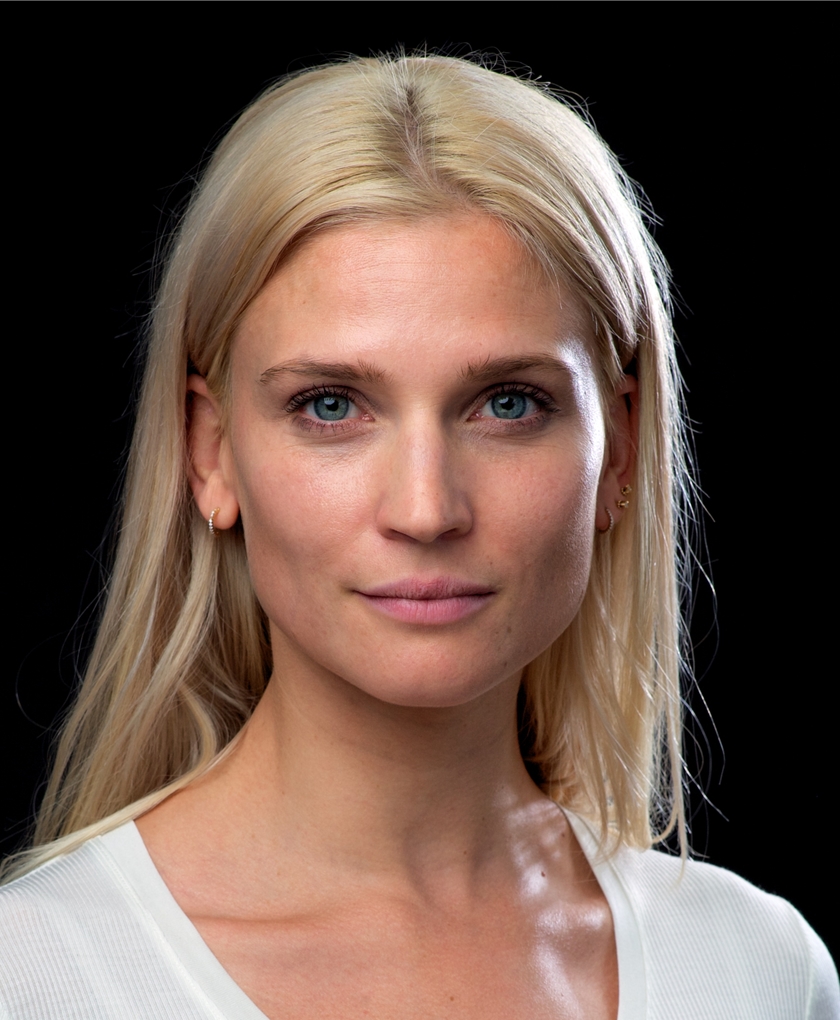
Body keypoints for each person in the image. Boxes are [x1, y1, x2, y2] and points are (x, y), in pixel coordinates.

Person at [1, 54, 836, 1019]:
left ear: (620, 449)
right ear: (210, 451)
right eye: (331, 405)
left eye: (508, 403)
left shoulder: (756, 972)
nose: (427, 509)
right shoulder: (30, 978)